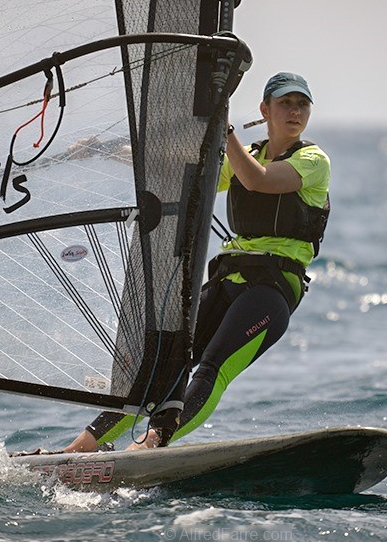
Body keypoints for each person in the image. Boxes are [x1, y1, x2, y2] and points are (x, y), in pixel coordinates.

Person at [62, 72, 330, 452]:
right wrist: (103, 150)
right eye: (285, 103)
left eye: (302, 104)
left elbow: (259, 181)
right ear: (265, 110)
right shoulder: (245, 155)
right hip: (227, 280)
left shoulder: (313, 160)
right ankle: (80, 448)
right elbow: (177, 170)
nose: (295, 111)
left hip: (271, 290)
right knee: (159, 365)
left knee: (210, 369)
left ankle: (149, 446)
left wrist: (224, 131)